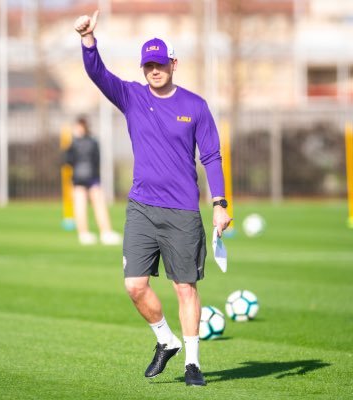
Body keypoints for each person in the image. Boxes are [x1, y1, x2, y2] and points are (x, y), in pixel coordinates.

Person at [74, 10, 232, 386]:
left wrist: (220, 203)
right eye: (148, 65)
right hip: (142, 208)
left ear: (174, 64)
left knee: (185, 287)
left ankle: (192, 363)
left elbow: (211, 155)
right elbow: (98, 75)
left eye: (160, 64)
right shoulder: (131, 96)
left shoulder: (195, 106)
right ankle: (165, 340)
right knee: (134, 285)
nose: (154, 70)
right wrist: (88, 42)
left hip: (182, 212)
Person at [64, 116, 122, 245]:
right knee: (94, 205)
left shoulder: (73, 143)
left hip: (79, 178)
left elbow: (67, 160)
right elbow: (97, 159)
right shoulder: (93, 141)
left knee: (86, 206)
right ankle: (104, 232)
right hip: (92, 177)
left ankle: (85, 234)